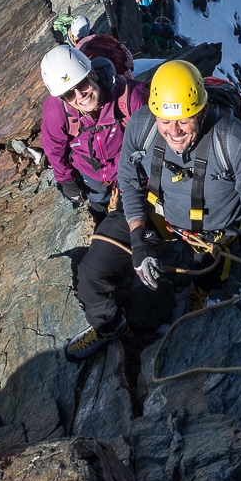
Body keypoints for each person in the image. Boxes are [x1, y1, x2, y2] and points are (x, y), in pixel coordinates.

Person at [120, 61, 241, 304]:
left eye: (184, 120)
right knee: (104, 252)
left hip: (210, 236)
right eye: (165, 121)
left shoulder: (236, 142)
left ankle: (199, 294)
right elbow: (129, 178)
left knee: (209, 279)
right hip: (161, 217)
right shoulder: (142, 125)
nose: (174, 131)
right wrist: (137, 237)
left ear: (202, 111)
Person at [39, 45, 149, 360]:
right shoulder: (57, 112)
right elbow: (54, 145)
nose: (80, 96)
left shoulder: (130, 98)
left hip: (135, 184)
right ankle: (117, 274)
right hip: (94, 183)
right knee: (103, 221)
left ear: (91, 72)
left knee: (124, 237)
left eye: (82, 85)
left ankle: (126, 267)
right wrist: (65, 180)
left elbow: (159, 144)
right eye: (70, 94)